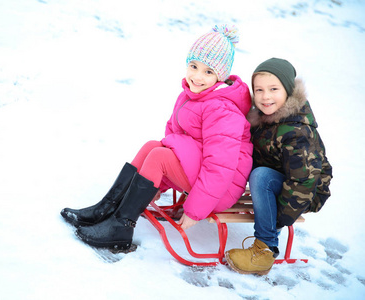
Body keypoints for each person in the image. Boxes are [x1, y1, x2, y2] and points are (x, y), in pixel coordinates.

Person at [61, 25, 253, 251]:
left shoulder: (222, 110)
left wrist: (195, 210)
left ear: (219, 76)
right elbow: (175, 137)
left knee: (159, 157)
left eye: (208, 72)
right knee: (152, 147)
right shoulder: (191, 96)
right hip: (203, 172)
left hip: (220, 189)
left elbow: (220, 166)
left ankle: (121, 226)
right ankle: (107, 208)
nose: (197, 76)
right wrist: (156, 180)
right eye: (194, 66)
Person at [225, 58, 333, 275]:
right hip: (285, 181)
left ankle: (265, 248)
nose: (265, 96)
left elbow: (303, 181)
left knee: (261, 176)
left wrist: (277, 219)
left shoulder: (296, 131)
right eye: (259, 90)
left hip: (304, 192)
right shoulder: (265, 118)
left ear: (289, 91)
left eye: (274, 89)